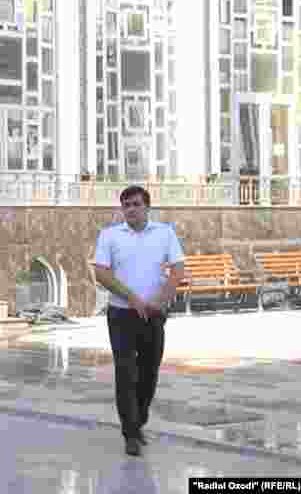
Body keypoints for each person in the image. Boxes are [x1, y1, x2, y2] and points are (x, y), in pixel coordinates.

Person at [93, 185, 184, 457]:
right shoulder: (110, 236)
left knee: (149, 373)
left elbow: (178, 270)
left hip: (153, 315)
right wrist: (132, 298)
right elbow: (101, 273)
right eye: (126, 205)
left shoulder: (165, 233)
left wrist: (159, 301)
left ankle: (139, 420)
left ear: (147, 207)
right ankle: (130, 433)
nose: (130, 209)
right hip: (121, 314)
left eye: (135, 204)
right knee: (125, 372)